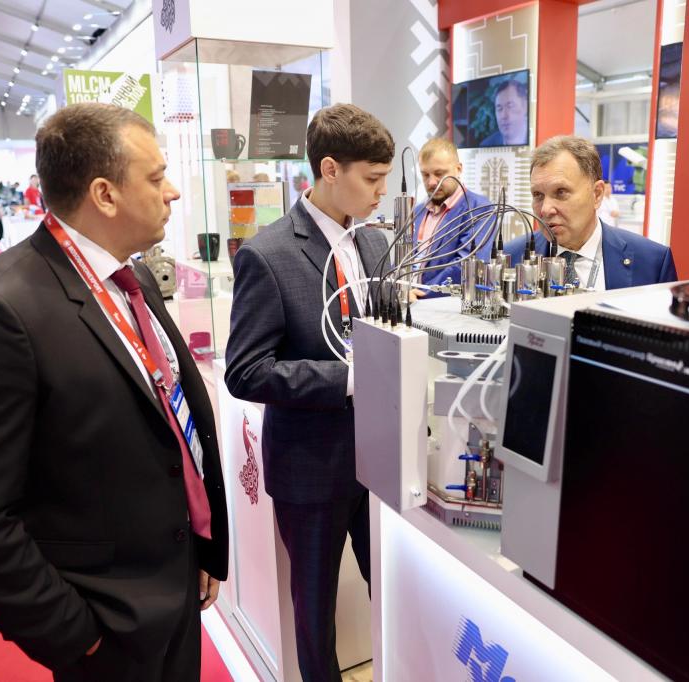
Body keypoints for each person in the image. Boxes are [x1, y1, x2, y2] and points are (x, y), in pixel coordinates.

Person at [0, 102, 229, 682]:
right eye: (156, 178)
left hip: (177, 581)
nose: (173, 192)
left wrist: (202, 544)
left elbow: (165, 415)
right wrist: (77, 636)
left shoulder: (130, 277)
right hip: (106, 624)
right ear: (104, 195)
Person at [224, 103, 394, 682]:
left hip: (379, 462)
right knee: (316, 614)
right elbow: (246, 370)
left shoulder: (375, 245)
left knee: (390, 592)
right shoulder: (267, 254)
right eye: (372, 178)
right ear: (329, 169)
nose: (381, 191)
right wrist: (348, 379)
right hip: (310, 469)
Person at [504, 135, 677, 289]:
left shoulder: (652, 263)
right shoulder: (510, 257)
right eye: (538, 195)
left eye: (561, 192)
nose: (545, 209)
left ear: (597, 194)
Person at [411, 137, 494, 298]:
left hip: (444, 304)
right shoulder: (418, 211)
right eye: (425, 175)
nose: (431, 182)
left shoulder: (479, 209)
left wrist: (423, 293)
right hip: (407, 301)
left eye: (439, 174)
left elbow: (466, 265)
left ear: (458, 169)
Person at [481, 78, 529, 147]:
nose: (504, 116)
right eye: (499, 109)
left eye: (510, 106)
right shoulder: (486, 145)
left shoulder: (538, 141)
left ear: (525, 106)